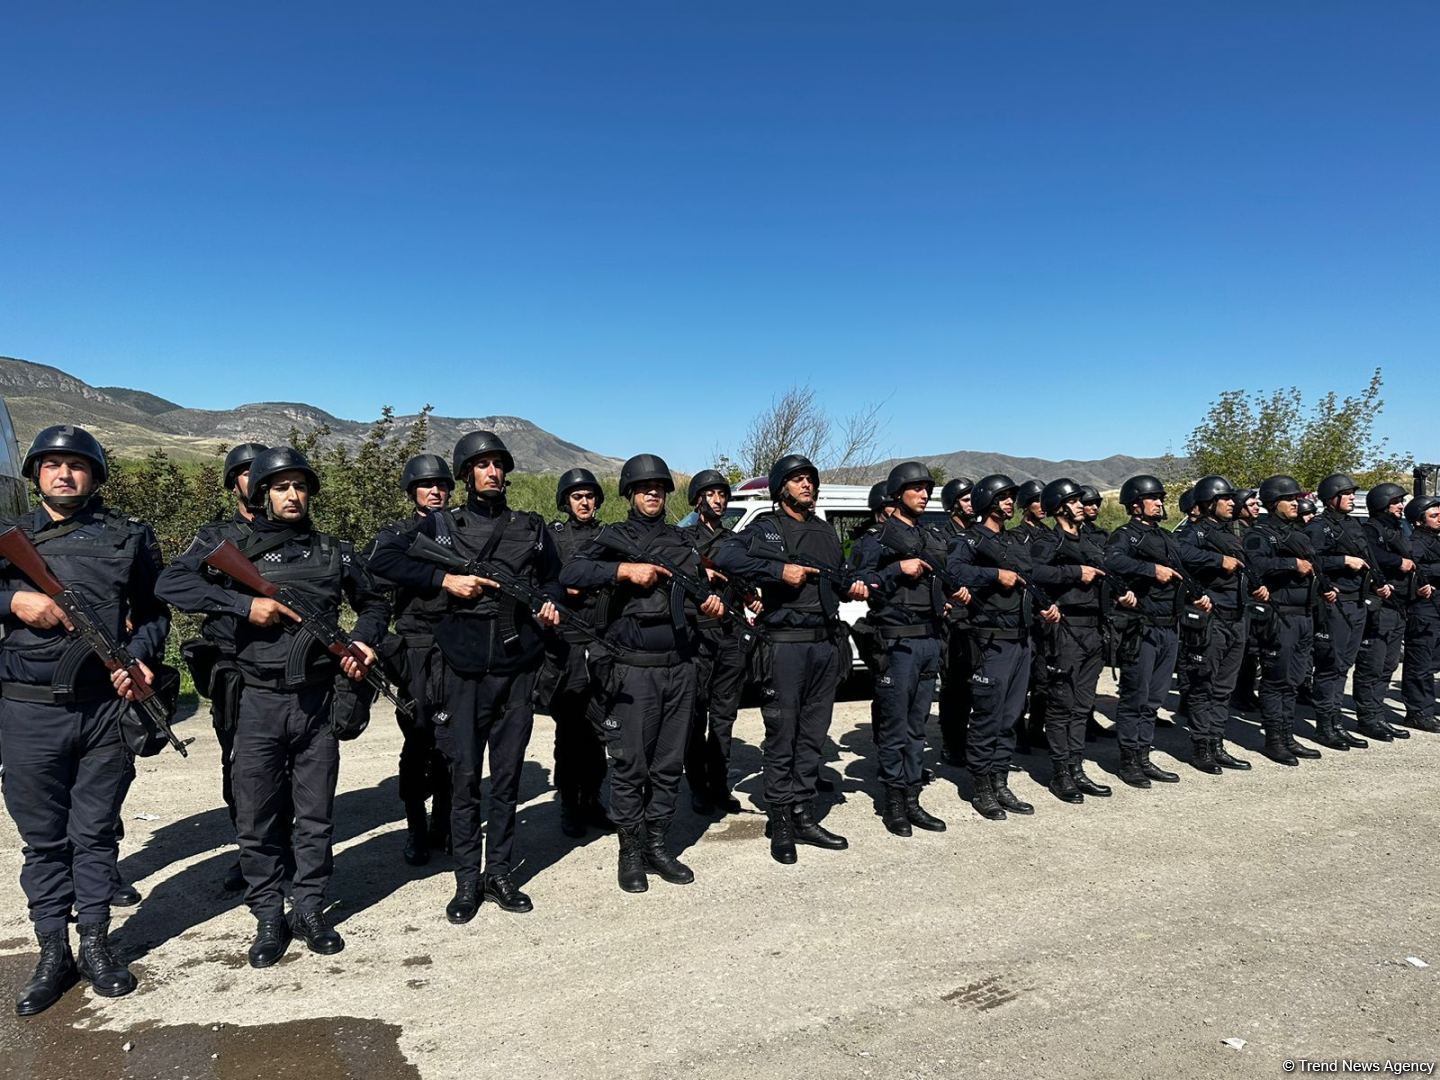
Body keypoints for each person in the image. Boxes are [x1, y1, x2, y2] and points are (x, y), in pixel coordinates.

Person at [158, 446, 387, 966]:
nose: (292, 495)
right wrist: (244, 604)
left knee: (316, 815)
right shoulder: (228, 544)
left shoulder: (334, 550)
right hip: (257, 700)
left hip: (316, 702)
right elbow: (170, 582)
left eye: (300, 486)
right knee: (257, 816)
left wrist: (365, 639)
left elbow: (375, 602)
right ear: (261, 493)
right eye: (281, 487)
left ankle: (309, 907)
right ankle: (267, 913)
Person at [1, 425, 169, 1015]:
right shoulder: (10, 537)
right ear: (36, 475)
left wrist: (141, 658)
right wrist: (12, 601)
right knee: (44, 841)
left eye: (76, 465)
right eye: (52, 465)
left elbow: (153, 611)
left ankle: (96, 943)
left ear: (94, 475)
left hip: (104, 709)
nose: (64, 474)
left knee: (94, 833)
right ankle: (53, 952)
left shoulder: (128, 535)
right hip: (27, 709)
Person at [368, 431, 562, 921]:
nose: (492, 472)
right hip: (463, 668)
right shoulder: (441, 526)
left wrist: (550, 602)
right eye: (482, 464)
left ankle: (499, 873)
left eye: (499, 464)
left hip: (517, 668)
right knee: (465, 777)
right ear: (467, 475)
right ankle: (466, 881)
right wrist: (444, 579)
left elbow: (555, 579)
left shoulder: (531, 527)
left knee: (508, 778)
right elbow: (381, 559)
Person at [560, 454, 721, 890]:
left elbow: (697, 592)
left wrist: (710, 603)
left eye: (660, 488)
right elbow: (572, 571)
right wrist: (623, 570)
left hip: (680, 667)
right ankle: (629, 852)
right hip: (633, 670)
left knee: (668, 766)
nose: (653, 493)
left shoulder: (681, 539)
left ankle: (657, 845)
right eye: (645, 488)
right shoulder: (614, 537)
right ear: (630, 493)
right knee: (631, 765)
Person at [712, 455, 869, 863]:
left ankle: (802, 812)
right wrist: (779, 572)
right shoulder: (768, 527)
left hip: (824, 644)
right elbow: (725, 555)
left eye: (809, 479)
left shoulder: (825, 531)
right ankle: (780, 819)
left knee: (813, 735)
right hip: (785, 645)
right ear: (782, 487)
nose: (806, 485)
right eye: (797, 479)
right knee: (782, 735)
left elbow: (839, 576)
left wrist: (852, 587)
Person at [173, 441, 269, 892]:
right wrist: (236, 603)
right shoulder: (214, 538)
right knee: (238, 767)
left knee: (293, 767)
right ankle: (251, 851)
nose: (256, 480)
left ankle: (288, 846)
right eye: (246, 472)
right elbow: (173, 583)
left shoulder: (300, 534)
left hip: (287, 669)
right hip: (234, 668)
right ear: (234, 483)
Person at [850, 462, 959, 835]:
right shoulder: (877, 539)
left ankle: (913, 797)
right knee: (895, 726)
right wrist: (896, 570)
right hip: (896, 642)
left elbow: (943, 576)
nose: (924, 495)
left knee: (917, 727)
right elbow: (858, 582)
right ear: (897, 494)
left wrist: (946, 598)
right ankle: (894, 803)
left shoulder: (930, 536)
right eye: (916, 489)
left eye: (927, 489)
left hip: (929, 639)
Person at [947, 474, 1059, 819]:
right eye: (1004, 497)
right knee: (988, 717)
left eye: (1012, 496)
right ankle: (981, 786)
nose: (1011, 502)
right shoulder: (970, 539)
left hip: (1021, 639)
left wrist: (1044, 606)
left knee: (1011, 717)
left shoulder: (1012, 540)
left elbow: (1028, 578)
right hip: (991, 641)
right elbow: (953, 572)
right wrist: (994, 575)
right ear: (988, 501)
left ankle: (1000, 781)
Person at [365, 453, 455, 865]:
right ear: (412, 491)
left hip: (456, 648)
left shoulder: (460, 530)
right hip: (415, 649)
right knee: (417, 743)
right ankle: (416, 827)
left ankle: (444, 823)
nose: (435, 491)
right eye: (426, 485)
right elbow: (373, 575)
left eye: (441, 485)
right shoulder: (397, 535)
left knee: (453, 745)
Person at [1103, 475, 1211, 788]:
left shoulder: (1165, 536)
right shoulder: (1125, 536)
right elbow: (1111, 562)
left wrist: (1197, 594)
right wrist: (1150, 570)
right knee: (1135, 696)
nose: (1159, 503)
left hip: (1169, 626)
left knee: (1154, 698)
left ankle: (1143, 755)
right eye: (1153, 498)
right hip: (1142, 628)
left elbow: (1181, 569)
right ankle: (1128, 761)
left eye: (1160, 498)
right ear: (1135, 505)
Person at [1030, 478, 1124, 801]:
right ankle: (1060, 773)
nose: (1081, 505)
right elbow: (1032, 573)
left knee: (1083, 705)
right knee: (1061, 704)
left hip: (1093, 629)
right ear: (1058, 507)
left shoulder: (1089, 541)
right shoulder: (1048, 541)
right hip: (1066, 630)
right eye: (1073, 501)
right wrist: (1074, 573)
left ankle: (1076, 766)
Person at [1242, 475, 1332, 765]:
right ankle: (1274, 740)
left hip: (1303, 613)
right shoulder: (1260, 533)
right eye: (1289, 499)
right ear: (1273, 503)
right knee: (1276, 680)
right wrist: (1291, 564)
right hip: (1279, 615)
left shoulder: (1297, 533)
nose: (1296, 503)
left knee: (1294, 681)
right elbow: (1255, 564)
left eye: (1296, 498)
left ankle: (1287, 735)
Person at [542, 468, 613, 837]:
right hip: (567, 643)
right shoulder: (553, 536)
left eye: (589, 496)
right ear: (565, 501)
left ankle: (593, 799)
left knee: (601, 730)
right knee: (570, 732)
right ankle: (570, 803)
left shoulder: (611, 536)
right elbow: (545, 581)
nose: (584, 502)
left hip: (603, 640)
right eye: (577, 496)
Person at [1173, 475, 1259, 772]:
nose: (1231, 503)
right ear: (1209, 503)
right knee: (1203, 685)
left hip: (1237, 616)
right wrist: (1217, 561)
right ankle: (1201, 748)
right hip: (1212, 620)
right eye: (1225, 499)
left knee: (1224, 688)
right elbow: (1178, 553)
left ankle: (1216, 743)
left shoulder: (1229, 532)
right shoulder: (1195, 532)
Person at [678, 469, 748, 816]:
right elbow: (668, 570)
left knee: (724, 716)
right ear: (698, 500)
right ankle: (698, 787)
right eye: (711, 494)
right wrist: (698, 568)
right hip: (698, 636)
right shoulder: (683, 539)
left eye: (722, 494)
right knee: (695, 717)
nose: (718, 500)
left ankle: (719, 785)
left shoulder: (734, 539)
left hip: (729, 635)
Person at [1305, 474, 1379, 750]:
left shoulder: (1352, 524)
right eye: (1346, 494)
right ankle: (1325, 725)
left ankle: (1336, 723)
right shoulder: (1318, 527)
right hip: (1335, 604)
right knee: (1330, 666)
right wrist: (1343, 560)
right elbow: (1311, 561)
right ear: (1332, 498)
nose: (1351, 498)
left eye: (1351, 493)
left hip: (1356, 602)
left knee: (1343, 665)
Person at [1354, 483, 1414, 741]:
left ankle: (1378, 716)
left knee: (1388, 664)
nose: (1401, 506)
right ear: (1382, 504)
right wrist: (1398, 562)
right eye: (1396, 502)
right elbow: (1372, 556)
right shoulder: (1371, 529)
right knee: (1372, 664)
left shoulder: (1398, 529)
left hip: (1399, 604)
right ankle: (1368, 719)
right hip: (1382, 604)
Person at [935, 477, 975, 766]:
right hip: (954, 620)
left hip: (979, 617)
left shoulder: (980, 534)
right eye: (966, 499)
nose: (972, 504)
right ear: (953, 504)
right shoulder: (941, 536)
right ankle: (952, 743)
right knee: (955, 686)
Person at [1400, 495, 1440, 733]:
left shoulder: (1434, 539)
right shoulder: (1416, 542)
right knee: (1420, 663)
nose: (1439, 519)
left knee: (1432, 662)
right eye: (1434, 516)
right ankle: (1418, 712)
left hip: (1436, 607)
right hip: (1424, 610)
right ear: (1418, 521)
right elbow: (1412, 567)